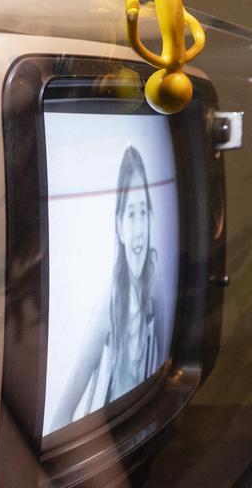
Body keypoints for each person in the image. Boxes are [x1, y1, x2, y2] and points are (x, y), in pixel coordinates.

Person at [52, 145, 166, 426]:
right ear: (119, 227)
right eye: (130, 214)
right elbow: (62, 413)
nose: (139, 227)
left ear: (151, 218)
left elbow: (168, 373)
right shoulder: (110, 301)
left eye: (143, 212)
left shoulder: (156, 280)